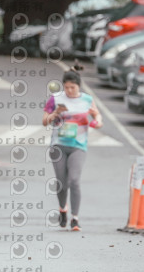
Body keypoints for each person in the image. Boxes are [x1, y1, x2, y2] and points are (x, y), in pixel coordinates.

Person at [42, 66, 103, 231]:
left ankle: (75, 218)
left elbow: (97, 115)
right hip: (58, 146)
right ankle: (63, 209)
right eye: (66, 87)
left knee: (74, 180)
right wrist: (55, 113)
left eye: (72, 87)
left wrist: (97, 122)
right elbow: (45, 121)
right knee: (62, 183)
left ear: (78, 86)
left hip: (78, 145)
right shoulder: (55, 99)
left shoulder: (87, 100)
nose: (69, 90)